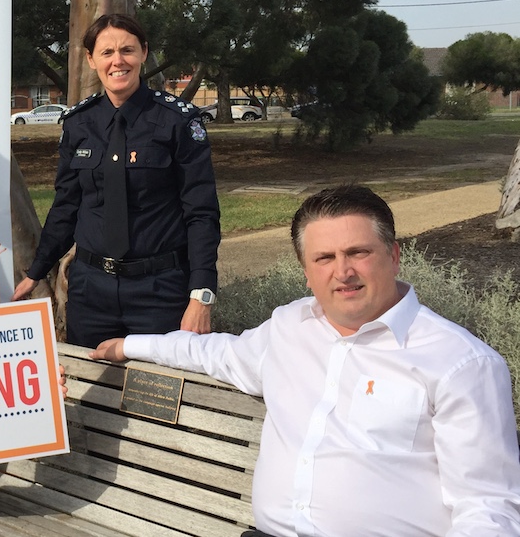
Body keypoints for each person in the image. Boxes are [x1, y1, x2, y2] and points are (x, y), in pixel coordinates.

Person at [90, 185, 520, 536]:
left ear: (394, 254)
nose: (343, 271)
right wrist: (128, 345)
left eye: (358, 252)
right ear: (305, 270)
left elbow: (487, 508)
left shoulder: (461, 364)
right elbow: (212, 352)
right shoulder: (289, 327)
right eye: (325, 258)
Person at [12, 13, 220, 347]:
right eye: (107, 52)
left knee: (156, 394)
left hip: (160, 291)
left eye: (127, 50)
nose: (118, 60)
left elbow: (202, 214)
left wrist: (201, 295)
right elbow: (66, 206)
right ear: (92, 60)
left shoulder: (178, 122)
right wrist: (37, 270)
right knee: (91, 391)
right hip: (91, 293)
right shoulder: (79, 124)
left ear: (143, 53)